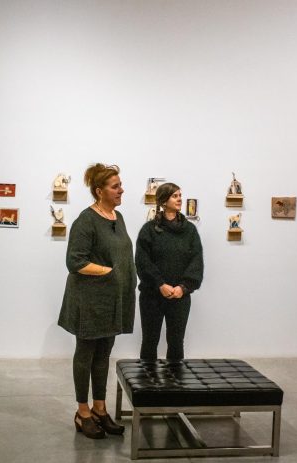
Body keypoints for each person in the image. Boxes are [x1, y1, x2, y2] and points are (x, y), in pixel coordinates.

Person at [58, 163, 136, 439]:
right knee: (86, 354)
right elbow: (75, 261)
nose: (121, 189)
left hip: (112, 300)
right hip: (89, 300)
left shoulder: (118, 217)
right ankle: (83, 412)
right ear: (99, 190)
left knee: (103, 355)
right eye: (115, 186)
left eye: (120, 184)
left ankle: (100, 409)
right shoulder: (85, 220)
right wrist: (110, 273)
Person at [135, 182, 204, 361]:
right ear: (163, 201)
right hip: (152, 297)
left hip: (180, 297)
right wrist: (160, 284)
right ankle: (146, 386)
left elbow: (196, 261)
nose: (180, 199)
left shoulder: (189, 230)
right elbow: (143, 262)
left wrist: (183, 287)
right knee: (149, 341)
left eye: (180, 195)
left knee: (176, 342)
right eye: (175, 196)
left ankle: (174, 386)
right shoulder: (148, 230)